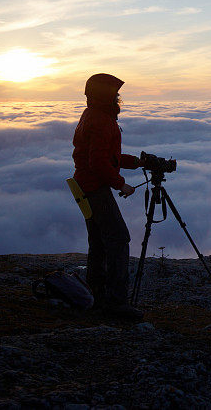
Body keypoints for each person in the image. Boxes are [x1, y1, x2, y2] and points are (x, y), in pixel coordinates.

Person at [72, 73, 142, 319]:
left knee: (100, 242)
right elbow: (98, 161)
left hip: (84, 186)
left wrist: (138, 162)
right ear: (106, 96)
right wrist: (120, 184)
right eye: (115, 93)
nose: (119, 97)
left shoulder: (91, 115)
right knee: (118, 239)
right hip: (95, 187)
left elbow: (104, 156)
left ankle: (98, 296)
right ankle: (116, 303)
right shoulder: (103, 120)